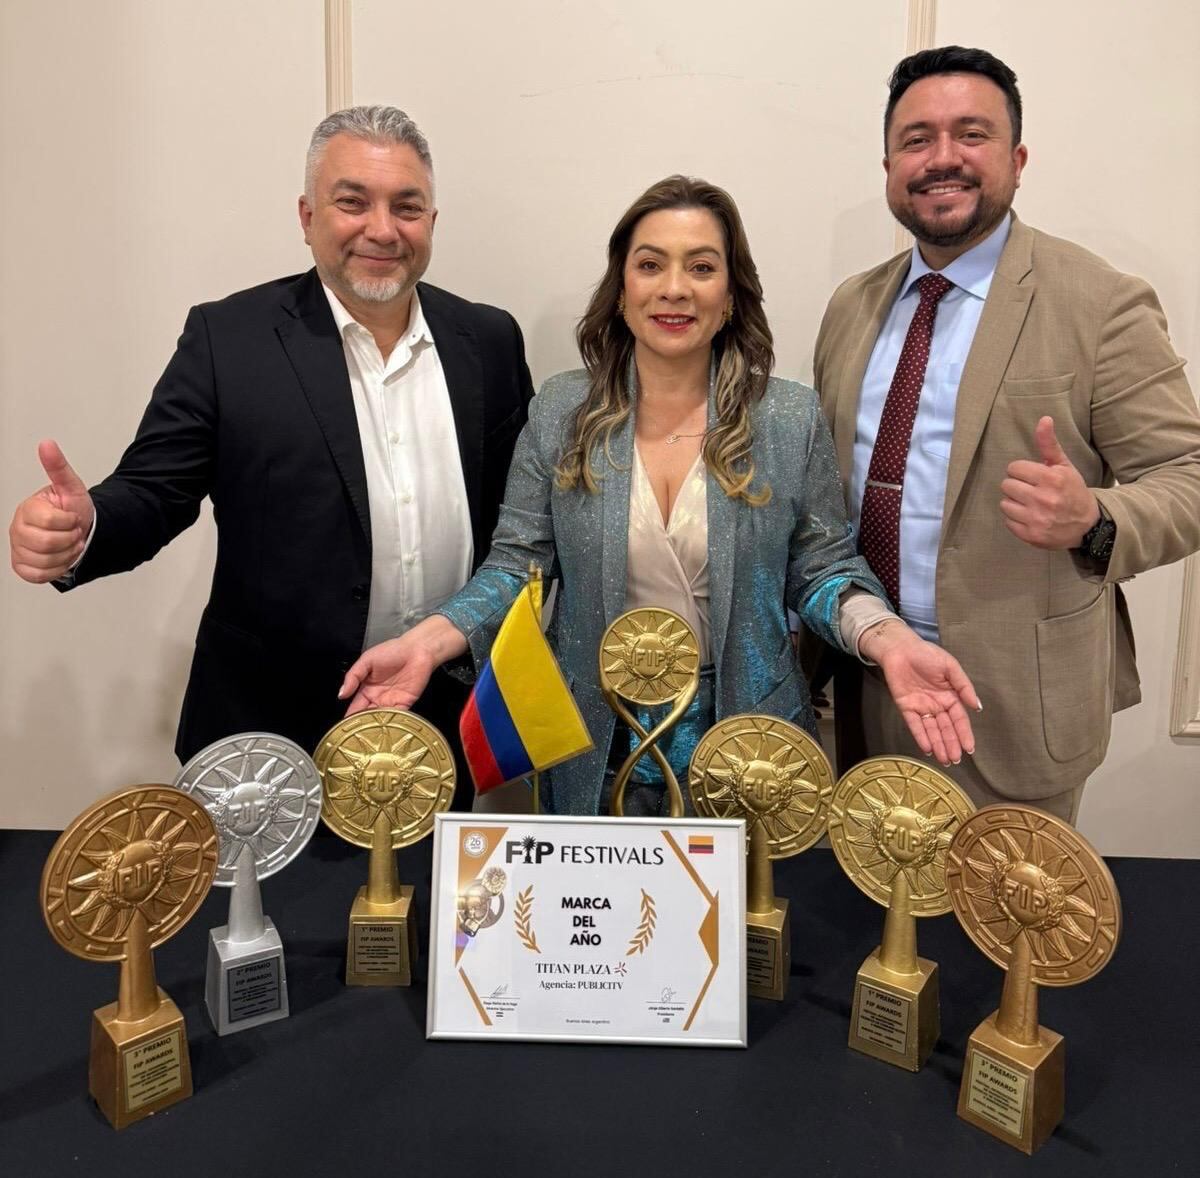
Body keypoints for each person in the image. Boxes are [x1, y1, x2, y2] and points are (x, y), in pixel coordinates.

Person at [340, 175, 981, 816]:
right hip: (591, 742)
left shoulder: (788, 418)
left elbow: (822, 570)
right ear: (622, 290)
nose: (675, 288)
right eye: (651, 265)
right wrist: (424, 643)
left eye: (701, 267)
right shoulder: (565, 411)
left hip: (749, 747)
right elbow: (517, 568)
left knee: (735, 918)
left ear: (730, 294)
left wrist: (889, 637)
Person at [8, 107, 533, 804]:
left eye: (406, 207)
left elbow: (521, 529)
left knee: (435, 914)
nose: (382, 229)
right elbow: (154, 492)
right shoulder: (230, 340)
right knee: (264, 919)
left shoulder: (489, 342)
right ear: (307, 214)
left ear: (431, 222)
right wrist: (84, 530)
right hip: (268, 734)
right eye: (353, 202)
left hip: (442, 724)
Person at [811, 46, 1200, 822]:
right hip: (862, 677)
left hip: (1012, 704)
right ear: (888, 164)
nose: (942, 158)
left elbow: (1188, 475)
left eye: (972, 134)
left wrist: (1093, 520)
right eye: (917, 139)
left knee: (1007, 933)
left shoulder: (1098, 302)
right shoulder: (851, 307)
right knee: (870, 925)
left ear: (1017, 159)